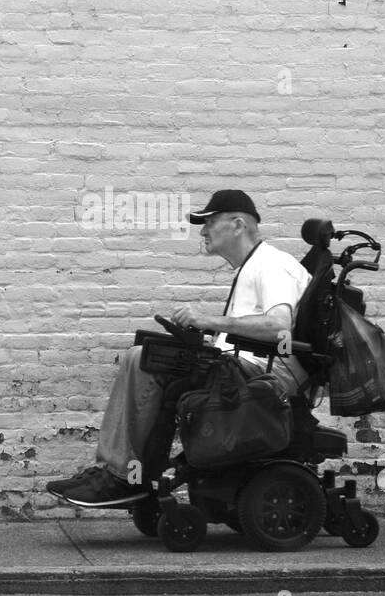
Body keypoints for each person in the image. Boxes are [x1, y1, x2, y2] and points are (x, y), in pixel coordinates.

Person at [48, 189, 312, 507]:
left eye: (210, 222)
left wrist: (209, 321)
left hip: (263, 374)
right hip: (244, 365)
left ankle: (123, 476)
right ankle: (124, 472)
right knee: (148, 351)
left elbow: (278, 327)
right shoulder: (253, 266)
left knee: (143, 359)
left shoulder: (272, 264)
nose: (202, 231)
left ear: (238, 225)